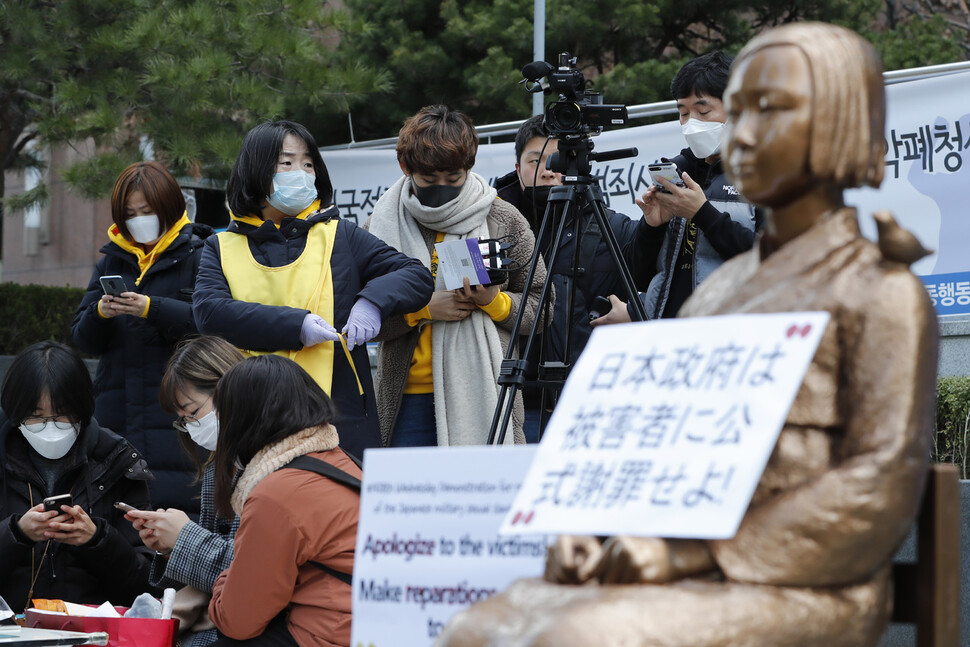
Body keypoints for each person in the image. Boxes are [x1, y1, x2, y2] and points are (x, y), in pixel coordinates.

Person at [438, 23, 937, 647]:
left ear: (836, 124)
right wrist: (595, 533)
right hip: (688, 560)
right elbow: (667, 442)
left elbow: (876, 484)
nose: (746, 133)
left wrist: (696, 554)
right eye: (741, 112)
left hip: (800, 583)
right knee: (480, 627)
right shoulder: (721, 296)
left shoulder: (877, 292)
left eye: (771, 111)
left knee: (580, 636)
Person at [193, 120, 433, 459]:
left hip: (341, 415)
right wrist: (297, 327)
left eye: (308, 164)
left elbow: (415, 275)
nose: (301, 172)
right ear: (255, 169)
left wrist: (371, 303)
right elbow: (209, 312)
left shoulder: (341, 234)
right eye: (287, 162)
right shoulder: (221, 246)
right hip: (257, 414)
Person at [367, 105, 546, 447]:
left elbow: (544, 307)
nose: (442, 188)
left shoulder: (503, 219)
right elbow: (362, 316)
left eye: (453, 179)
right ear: (406, 168)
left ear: (469, 166)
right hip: (407, 400)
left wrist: (494, 302)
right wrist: (422, 310)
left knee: (487, 496)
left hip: (486, 392)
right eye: (429, 180)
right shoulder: (381, 226)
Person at [72, 161, 213, 515]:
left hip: (180, 413)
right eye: (130, 213)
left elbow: (211, 323)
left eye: (147, 211)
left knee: (181, 512)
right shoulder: (112, 260)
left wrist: (151, 307)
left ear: (168, 206)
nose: (139, 220)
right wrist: (101, 312)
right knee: (119, 516)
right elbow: (83, 339)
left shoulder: (201, 251)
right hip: (117, 414)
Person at [494, 115, 645, 441]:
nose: (548, 170)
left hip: (590, 399)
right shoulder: (494, 228)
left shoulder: (613, 228)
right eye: (535, 161)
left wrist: (633, 310)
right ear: (518, 170)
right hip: (513, 398)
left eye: (558, 160)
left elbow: (655, 279)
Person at [593, 51, 761, 326]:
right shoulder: (678, 174)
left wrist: (702, 214)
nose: (691, 123)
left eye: (702, 111)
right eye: (683, 113)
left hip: (736, 335)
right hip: (669, 338)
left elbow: (780, 262)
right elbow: (638, 276)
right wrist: (652, 227)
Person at [207, 355, 362, 647]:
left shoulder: (277, 494)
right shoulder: (340, 460)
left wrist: (222, 583)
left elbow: (238, 619)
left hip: (330, 634)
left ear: (243, 418)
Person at [0, 341, 157, 612]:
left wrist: (97, 540)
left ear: (82, 410)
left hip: (93, 631)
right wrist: (17, 533)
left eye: (62, 416)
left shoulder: (116, 462)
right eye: (36, 417)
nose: (50, 427)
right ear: (15, 413)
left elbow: (147, 585)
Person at [125, 336, 245, 647]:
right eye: (183, 421)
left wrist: (183, 538)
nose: (191, 426)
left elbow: (256, 569)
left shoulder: (276, 464)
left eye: (193, 412)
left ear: (228, 389)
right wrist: (168, 547)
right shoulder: (219, 464)